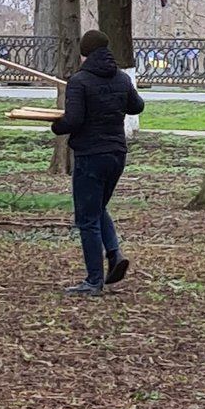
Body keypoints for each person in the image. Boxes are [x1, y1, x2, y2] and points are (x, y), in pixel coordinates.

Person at [51, 30, 146, 296]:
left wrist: (57, 126)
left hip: (90, 156)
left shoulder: (79, 81)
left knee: (87, 218)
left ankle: (94, 281)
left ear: (84, 53)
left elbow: (74, 120)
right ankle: (114, 255)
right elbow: (136, 106)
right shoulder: (122, 78)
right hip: (117, 155)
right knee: (98, 207)